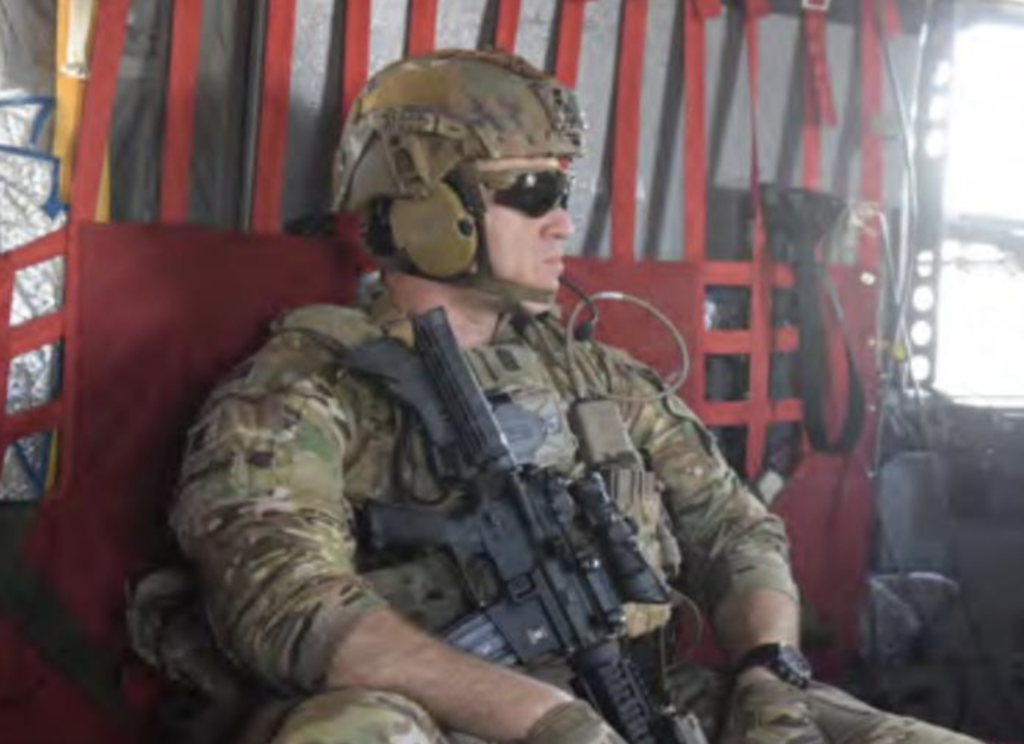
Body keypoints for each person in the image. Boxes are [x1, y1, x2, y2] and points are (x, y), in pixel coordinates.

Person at [168, 49, 977, 744]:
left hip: (643, 700)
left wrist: (771, 671)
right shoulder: (305, 389)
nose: (561, 222)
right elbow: (288, 603)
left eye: (563, 190)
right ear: (424, 205)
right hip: (454, 716)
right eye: (528, 190)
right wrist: (547, 719)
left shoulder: (599, 380)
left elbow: (735, 530)